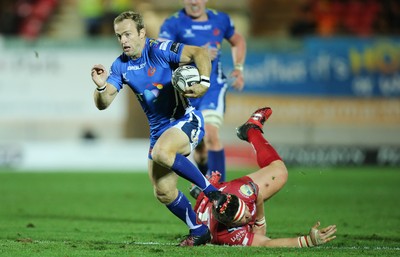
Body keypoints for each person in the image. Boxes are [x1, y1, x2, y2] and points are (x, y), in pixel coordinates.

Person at [90, 10, 227, 246]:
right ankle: (198, 230)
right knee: (163, 191)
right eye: (119, 36)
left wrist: (204, 82)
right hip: (159, 133)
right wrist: (101, 87)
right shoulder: (120, 66)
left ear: (141, 33)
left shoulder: (159, 49)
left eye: (127, 34)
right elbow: (103, 104)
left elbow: (199, 52)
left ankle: (212, 191)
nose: (123, 40)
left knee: (161, 153)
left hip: (185, 120)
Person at [193, 107, 337, 246]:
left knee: (279, 173)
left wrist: (258, 218)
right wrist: (309, 241)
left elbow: (258, 196)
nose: (249, 215)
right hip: (208, 207)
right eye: (243, 218)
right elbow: (265, 243)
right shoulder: (227, 236)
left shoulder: (242, 192)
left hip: (213, 201)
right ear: (229, 224)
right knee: (258, 233)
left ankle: (250, 129)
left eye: (246, 210)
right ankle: (203, 186)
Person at [158, 0, 247, 182]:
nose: (194, 1)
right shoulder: (173, 22)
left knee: (211, 134)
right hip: (187, 93)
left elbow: (237, 40)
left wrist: (238, 68)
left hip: (213, 87)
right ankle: (208, 183)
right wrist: (197, 54)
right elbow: (160, 55)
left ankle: (219, 188)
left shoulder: (220, 19)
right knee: (199, 148)